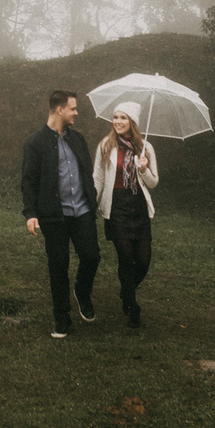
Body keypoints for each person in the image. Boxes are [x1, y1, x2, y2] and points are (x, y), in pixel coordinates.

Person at [21, 89, 100, 338]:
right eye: (73, 108)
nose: (76, 113)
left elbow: (86, 172)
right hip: (54, 215)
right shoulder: (35, 143)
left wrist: (92, 196)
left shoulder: (78, 139)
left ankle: (82, 291)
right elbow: (28, 181)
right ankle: (62, 319)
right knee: (58, 266)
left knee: (92, 256)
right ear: (59, 110)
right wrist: (31, 213)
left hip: (83, 211)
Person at [91, 101, 159, 328]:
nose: (118, 121)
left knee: (143, 260)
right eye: (115, 117)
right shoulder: (105, 145)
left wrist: (143, 168)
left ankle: (125, 289)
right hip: (116, 206)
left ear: (133, 123)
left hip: (138, 206)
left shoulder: (146, 148)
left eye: (123, 118)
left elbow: (153, 182)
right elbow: (98, 177)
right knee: (125, 256)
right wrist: (92, 202)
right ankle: (131, 306)